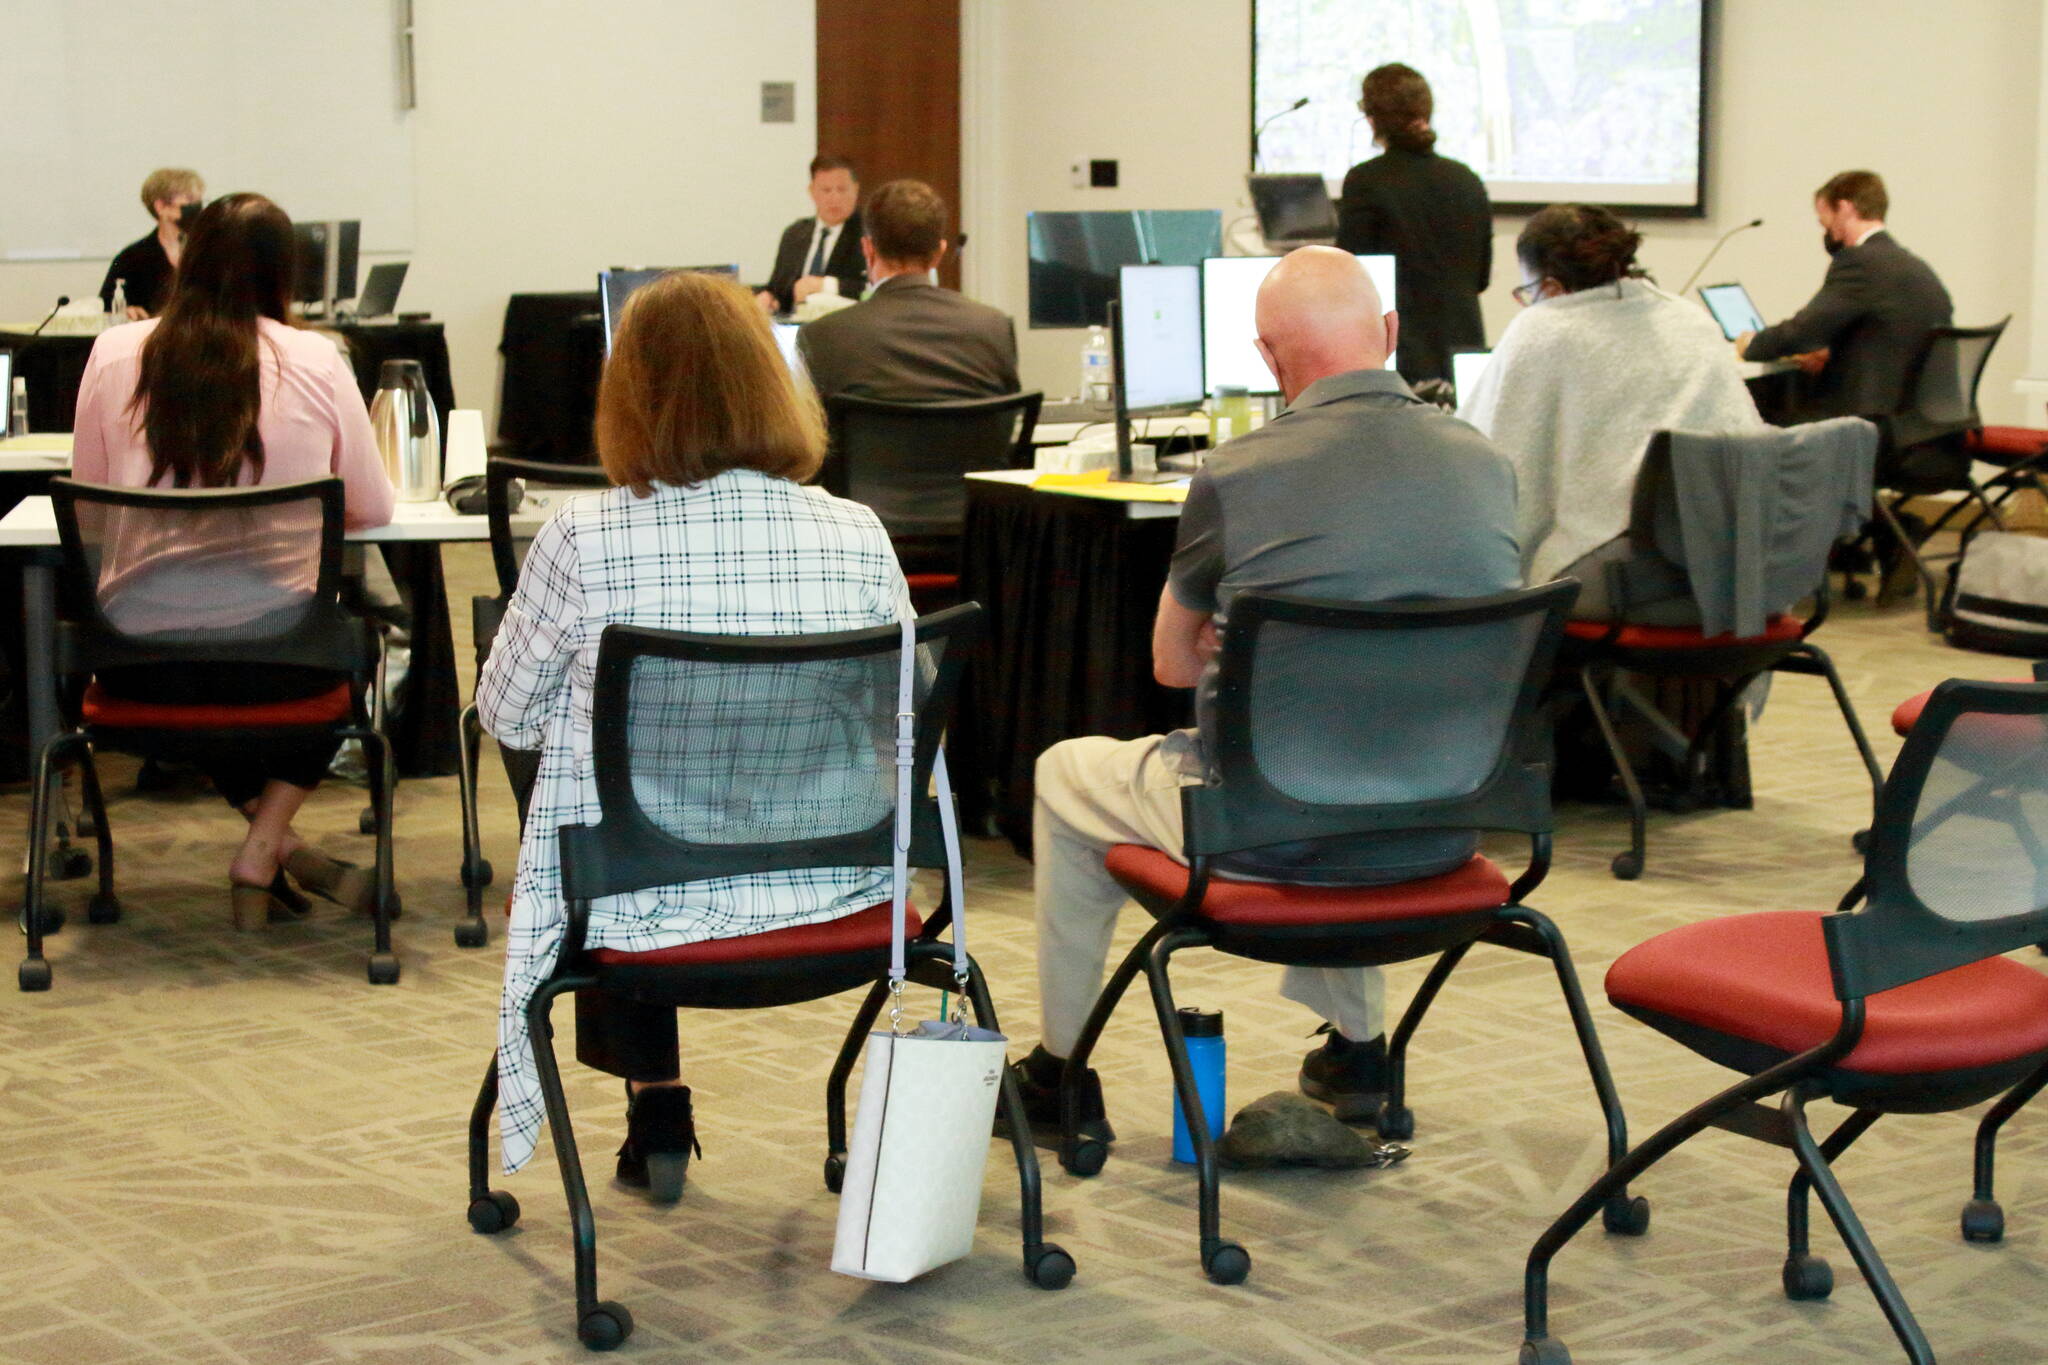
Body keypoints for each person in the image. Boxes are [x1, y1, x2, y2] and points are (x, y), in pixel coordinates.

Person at [1010, 247, 1522, 1142]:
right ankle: (1360, 1055)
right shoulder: (1486, 464)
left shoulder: (1238, 474)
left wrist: (1238, 639)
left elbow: (1170, 665)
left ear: (1267, 360)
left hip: (1274, 838)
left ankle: (1059, 1073)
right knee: (1358, 735)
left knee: (1066, 772)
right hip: (1443, 824)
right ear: (1391, 334)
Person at [477, 270, 913, 1193]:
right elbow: (902, 722)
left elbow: (506, 715)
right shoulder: (860, 532)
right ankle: (657, 1094)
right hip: (839, 888)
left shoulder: (581, 537)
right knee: (605, 776)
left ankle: (656, 1092)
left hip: (643, 900)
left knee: (578, 784)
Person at [70, 192, 395, 926]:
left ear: (187, 260)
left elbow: (87, 506)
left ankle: (271, 844)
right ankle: (268, 846)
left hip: (134, 660)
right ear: (286, 274)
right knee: (350, 643)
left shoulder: (114, 351)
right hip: (283, 657)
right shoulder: (317, 356)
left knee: (209, 648)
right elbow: (371, 509)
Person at [1459, 204, 1763, 606]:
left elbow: (1489, 468)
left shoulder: (1544, 327)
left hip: (1626, 579)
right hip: (1736, 568)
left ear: (1549, 289)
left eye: (1526, 292)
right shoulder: (1690, 319)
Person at [1737, 170, 1955, 420]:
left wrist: (1751, 345)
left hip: (1872, 420)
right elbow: (1891, 337)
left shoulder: (1860, 261)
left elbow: (1803, 331)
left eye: (1824, 221)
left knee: (1763, 410)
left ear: (1844, 209)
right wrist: (1830, 352)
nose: (1826, 231)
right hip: (1918, 422)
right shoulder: (1911, 264)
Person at [796, 178, 1019, 404]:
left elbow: (813, 432)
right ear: (939, 254)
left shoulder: (821, 337)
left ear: (868, 249)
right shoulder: (994, 328)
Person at [1337, 63, 1492, 386]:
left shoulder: (1366, 181)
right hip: (1464, 361)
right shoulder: (1467, 180)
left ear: (1371, 119)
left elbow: (1352, 279)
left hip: (1399, 366)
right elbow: (1480, 278)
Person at [758, 155, 867, 314]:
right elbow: (778, 287)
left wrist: (826, 285)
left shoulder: (869, 234)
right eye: (826, 190)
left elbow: (874, 289)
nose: (834, 198)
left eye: (842, 189)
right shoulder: (794, 234)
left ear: (856, 190)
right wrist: (769, 298)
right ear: (812, 192)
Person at [99, 168, 206, 319]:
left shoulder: (209, 250)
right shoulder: (131, 258)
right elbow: (106, 305)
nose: (197, 207)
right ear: (161, 207)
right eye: (189, 200)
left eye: (198, 200)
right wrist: (127, 311)